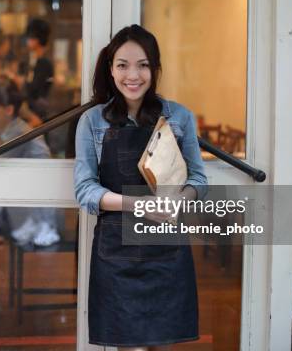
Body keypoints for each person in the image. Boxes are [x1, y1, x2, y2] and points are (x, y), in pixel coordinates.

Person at [73, 24, 208, 350]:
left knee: (162, 344)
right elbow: (85, 189)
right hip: (116, 253)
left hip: (166, 251)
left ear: (155, 69)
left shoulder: (179, 117)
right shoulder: (92, 121)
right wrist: (138, 204)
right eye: (122, 65)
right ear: (111, 69)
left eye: (143, 65)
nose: (132, 75)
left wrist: (179, 200)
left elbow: (199, 180)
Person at [0, 77, 60, 246]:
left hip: (37, 225)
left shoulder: (18, 135)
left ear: (9, 109)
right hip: (26, 215)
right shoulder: (13, 130)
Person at [23, 19, 54, 120]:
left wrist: (21, 82)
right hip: (33, 111)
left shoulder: (44, 63)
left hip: (39, 114)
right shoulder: (33, 60)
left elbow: (37, 89)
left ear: (37, 40)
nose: (27, 41)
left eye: (30, 37)